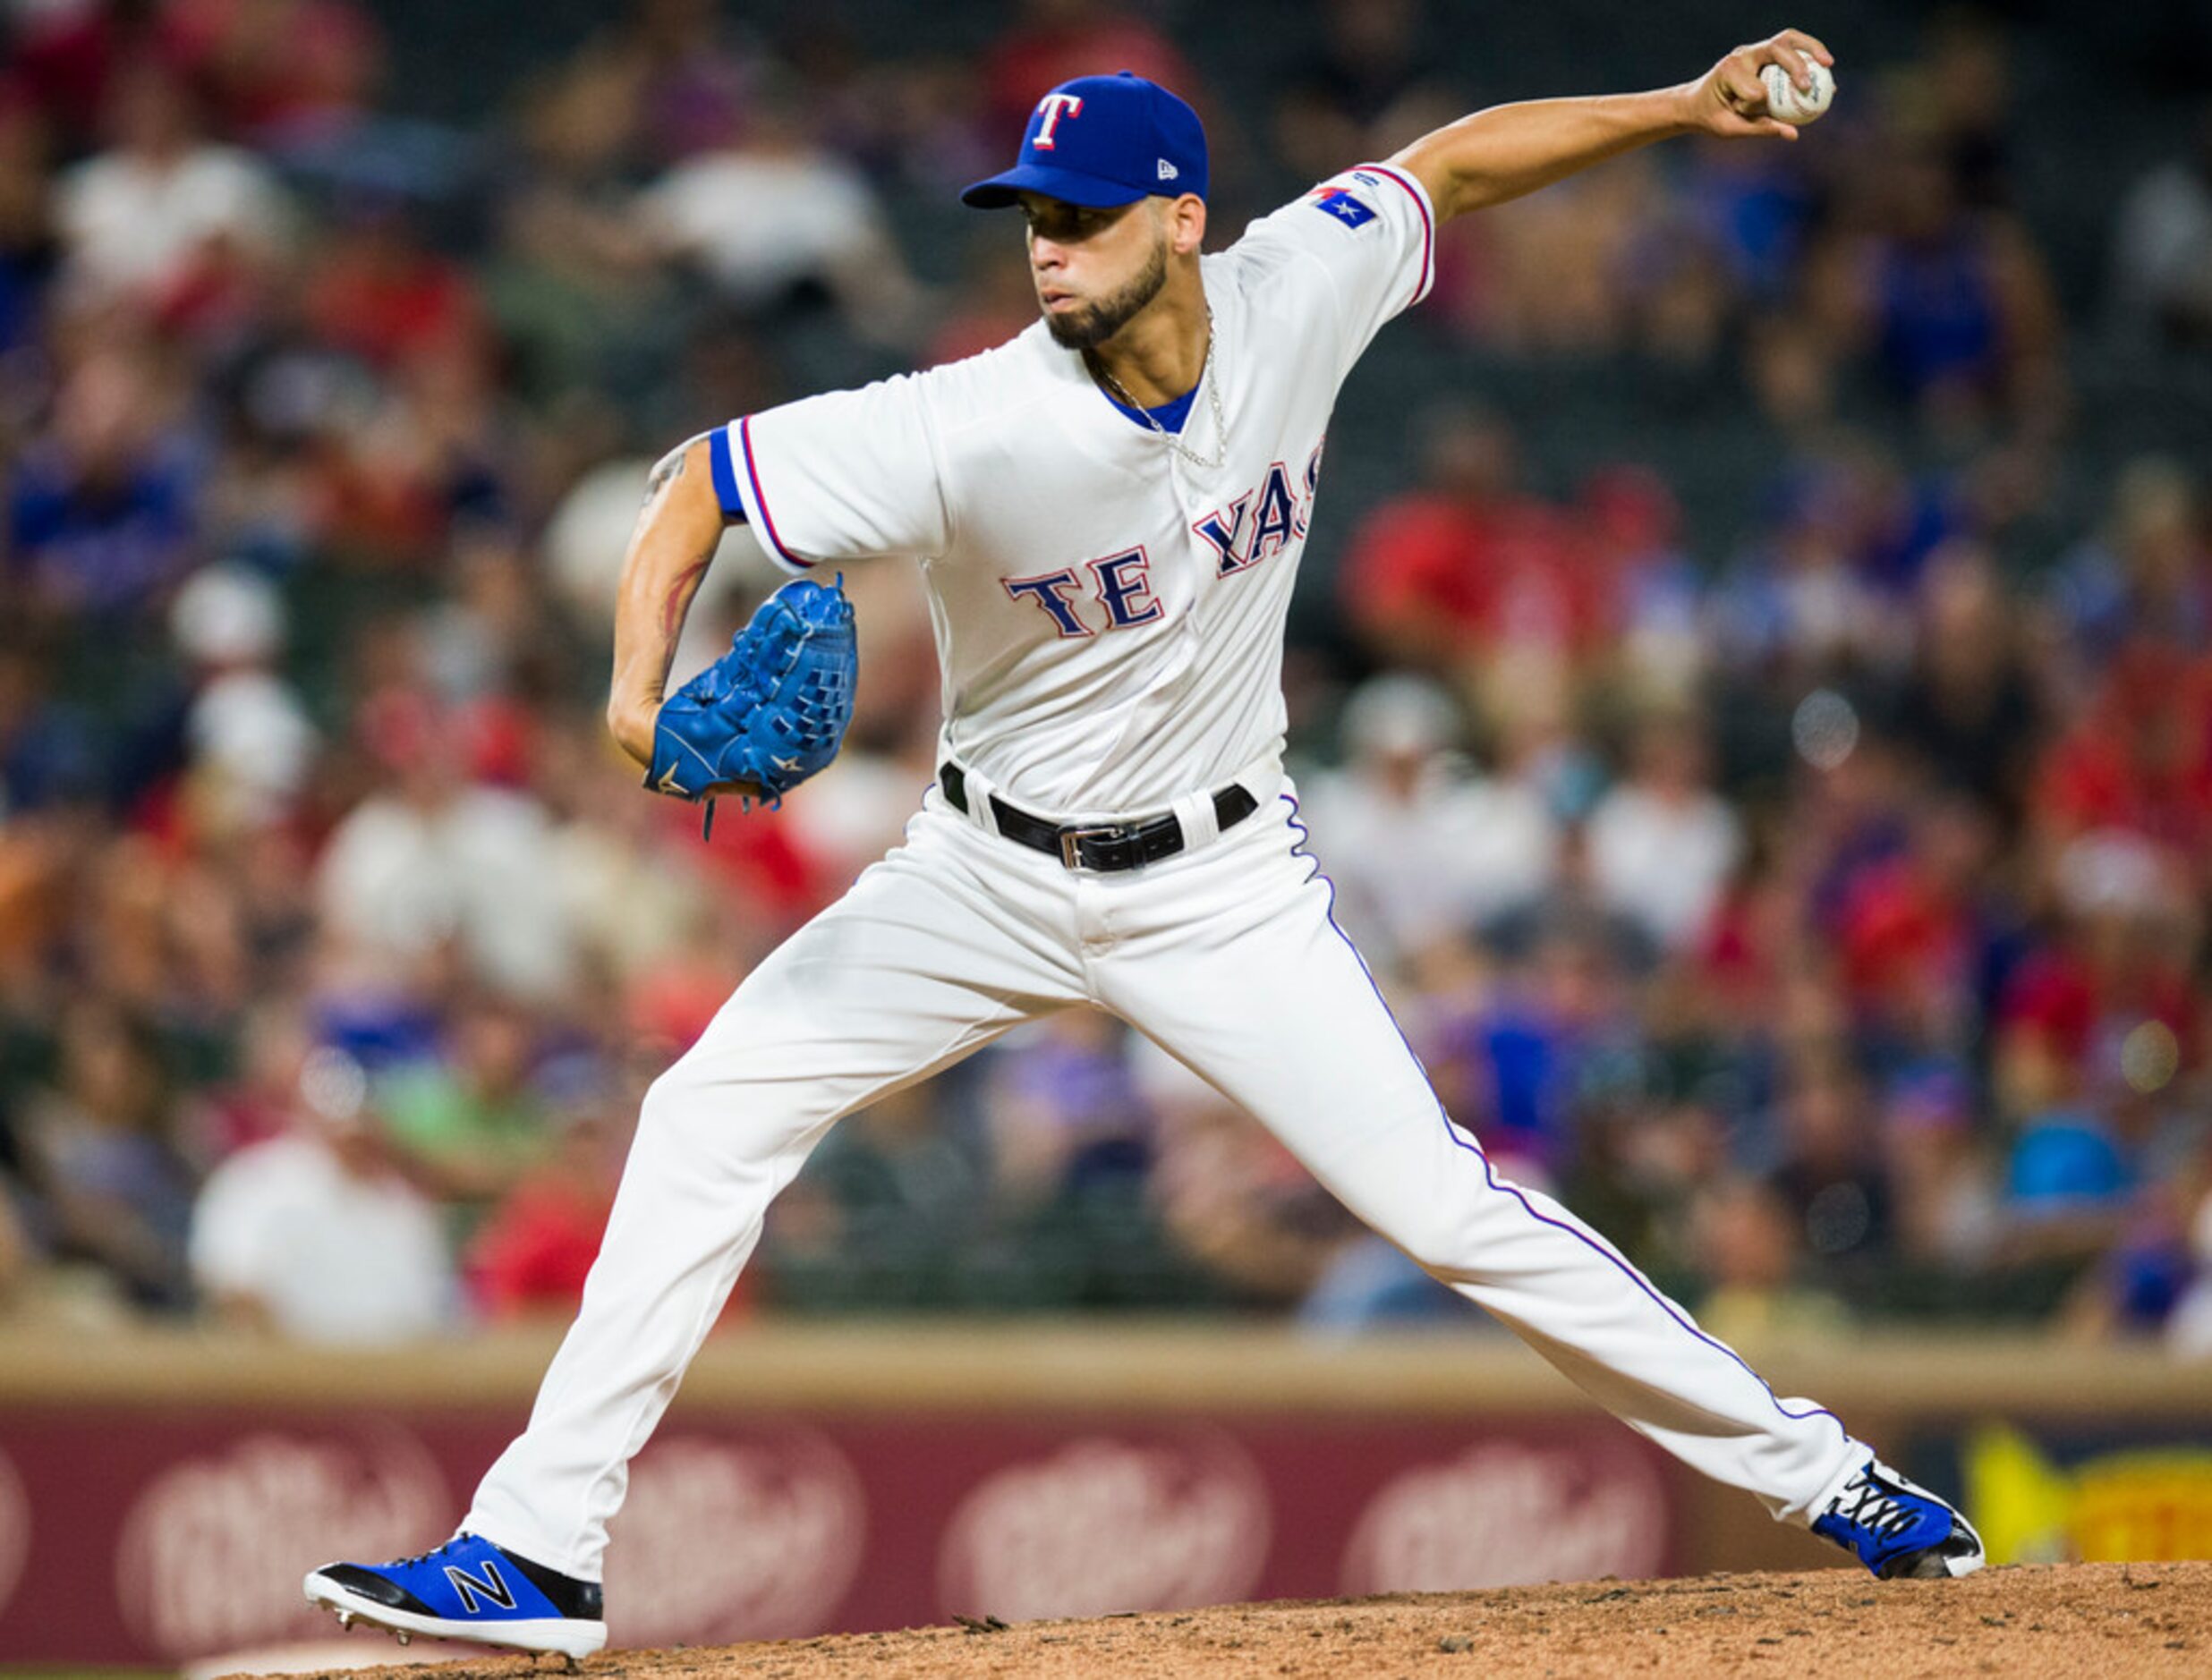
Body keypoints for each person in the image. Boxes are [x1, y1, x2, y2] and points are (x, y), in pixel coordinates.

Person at [307, 34, 1983, 1658]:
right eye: (1035, 217)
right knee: (704, 1112)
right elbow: (693, 489)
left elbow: (1456, 166)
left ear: (1183, 219)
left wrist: (1683, 106)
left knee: (1449, 1208)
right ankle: (536, 1548)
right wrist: (628, 700)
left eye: (1085, 215)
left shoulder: (1296, 285)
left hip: (1220, 885)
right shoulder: (971, 421)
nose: (1050, 249)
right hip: (980, 875)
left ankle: (1834, 1476)